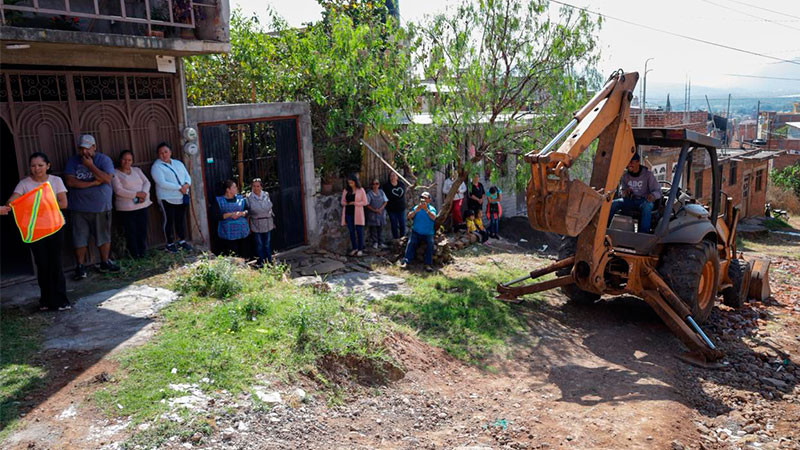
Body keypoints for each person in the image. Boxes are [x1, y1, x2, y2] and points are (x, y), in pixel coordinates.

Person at [0, 153, 71, 311]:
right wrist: (9, 205)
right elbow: (13, 200)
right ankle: (45, 301)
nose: (36, 168)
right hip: (35, 231)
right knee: (42, 264)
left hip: (54, 227)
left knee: (56, 264)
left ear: (48, 165)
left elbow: (63, 203)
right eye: (33, 165)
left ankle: (62, 300)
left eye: (40, 165)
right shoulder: (24, 184)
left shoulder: (55, 181)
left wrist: (42, 206)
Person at [64, 134, 119, 280]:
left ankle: (104, 262)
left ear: (94, 147)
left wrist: (90, 166)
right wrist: (93, 183)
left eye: (87, 148)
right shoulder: (73, 161)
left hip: (100, 207)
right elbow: (70, 182)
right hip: (78, 208)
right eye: (81, 149)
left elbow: (107, 179)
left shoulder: (103, 160)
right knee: (79, 238)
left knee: (103, 236)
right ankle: (80, 266)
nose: (84, 152)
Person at [150, 142, 192, 253]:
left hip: (181, 196)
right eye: (161, 153)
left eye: (166, 152)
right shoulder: (156, 167)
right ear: (158, 155)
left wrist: (186, 185)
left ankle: (182, 240)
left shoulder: (178, 163)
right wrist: (179, 187)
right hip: (167, 197)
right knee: (169, 220)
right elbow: (162, 183)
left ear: (170, 152)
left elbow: (187, 176)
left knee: (180, 219)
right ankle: (169, 243)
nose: (164, 154)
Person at [112, 150, 152, 258]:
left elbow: (147, 182)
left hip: (142, 205)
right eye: (124, 159)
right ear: (120, 160)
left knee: (142, 229)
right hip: (127, 208)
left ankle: (142, 252)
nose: (127, 162)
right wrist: (136, 194)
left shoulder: (137, 170)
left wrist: (143, 193)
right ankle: (134, 254)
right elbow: (118, 190)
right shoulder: (115, 173)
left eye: (129, 160)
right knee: (131, 232)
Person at [608, 152, 661, 233]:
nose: (629, 165)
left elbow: (658, 191)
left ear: (638, 162)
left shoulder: (648, 175)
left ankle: (643, 235)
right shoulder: (625, 176)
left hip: (644, 201)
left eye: (631, 162)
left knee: (647, 207)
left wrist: (652, 196)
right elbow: (622, 192)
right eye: (627, 162)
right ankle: (604, 230)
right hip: (631, 200)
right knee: (613, 203)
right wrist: (625, 192)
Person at [399, 191, 438, 272]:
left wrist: (426, 210)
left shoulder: (431, 209)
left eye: (425, 198)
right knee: (411, 243)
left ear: (429, 200)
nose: (423, 199)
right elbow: (409, 216)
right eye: (422, 197)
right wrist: (416, 210)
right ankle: (406, 261)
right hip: (416, 232)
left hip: (428, 233)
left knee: (430, 244)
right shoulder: (417, 207)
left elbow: (434, 218)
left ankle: (428, 264)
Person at [215, 179, 250, 256]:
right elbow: (217, 216)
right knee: (232, 254)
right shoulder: (219, 200)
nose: (236, 188)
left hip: (242, 232)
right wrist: (231, 214)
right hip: (228, 233)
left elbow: (248, 211)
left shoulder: (241, 198)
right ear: (228, 190)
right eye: (234, 187)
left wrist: (241, 213)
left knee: (243, 253)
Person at [247, 178, 275, 266]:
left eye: (258, 186)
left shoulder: (266, 195)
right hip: (256, 223)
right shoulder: (249, 197)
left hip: (267, 222)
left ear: (261, 187)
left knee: (267, 244)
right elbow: (249, 211)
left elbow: (270, 208)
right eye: (254, 186)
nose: (256, 188)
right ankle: (261, 262)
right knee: (259, 244)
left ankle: (269, 261)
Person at [340, 174, 368, 256]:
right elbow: (342, 201)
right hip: (348, 213)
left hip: (358, 214)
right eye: (349, 183)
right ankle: (354, 248)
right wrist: (346, 203)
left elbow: (365, 202)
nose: (350, 184)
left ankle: (360, 249)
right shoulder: (346, 190)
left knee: (359, 231)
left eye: (352, 182)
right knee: (351, 231)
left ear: (355, 182)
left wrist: (355, 203)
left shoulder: (361, 190)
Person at [382, 172, 407, 239]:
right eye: (391, 176)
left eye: (394, 175)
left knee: (402, 224)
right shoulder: (386, 186)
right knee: (394, 224)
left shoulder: (401, 184)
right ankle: (395, 239)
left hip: (401, 208)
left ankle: (403, 238)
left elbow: (404, 193)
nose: (392, 177)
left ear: (397, 177)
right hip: (392, 209)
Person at [366, 178, 389, 249]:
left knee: (380, 228)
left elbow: (385, 201)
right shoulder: (369, 194)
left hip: (380, 214)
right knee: (373, 229)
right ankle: (375, 242)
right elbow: (367, 204)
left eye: (377, 184)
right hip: (372, 214)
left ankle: (381, 242)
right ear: (371, 185)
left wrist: (380, 209)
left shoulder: (381, 192)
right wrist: (374, 210)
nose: (375, 185)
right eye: (374, 184)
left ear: (379, 185)